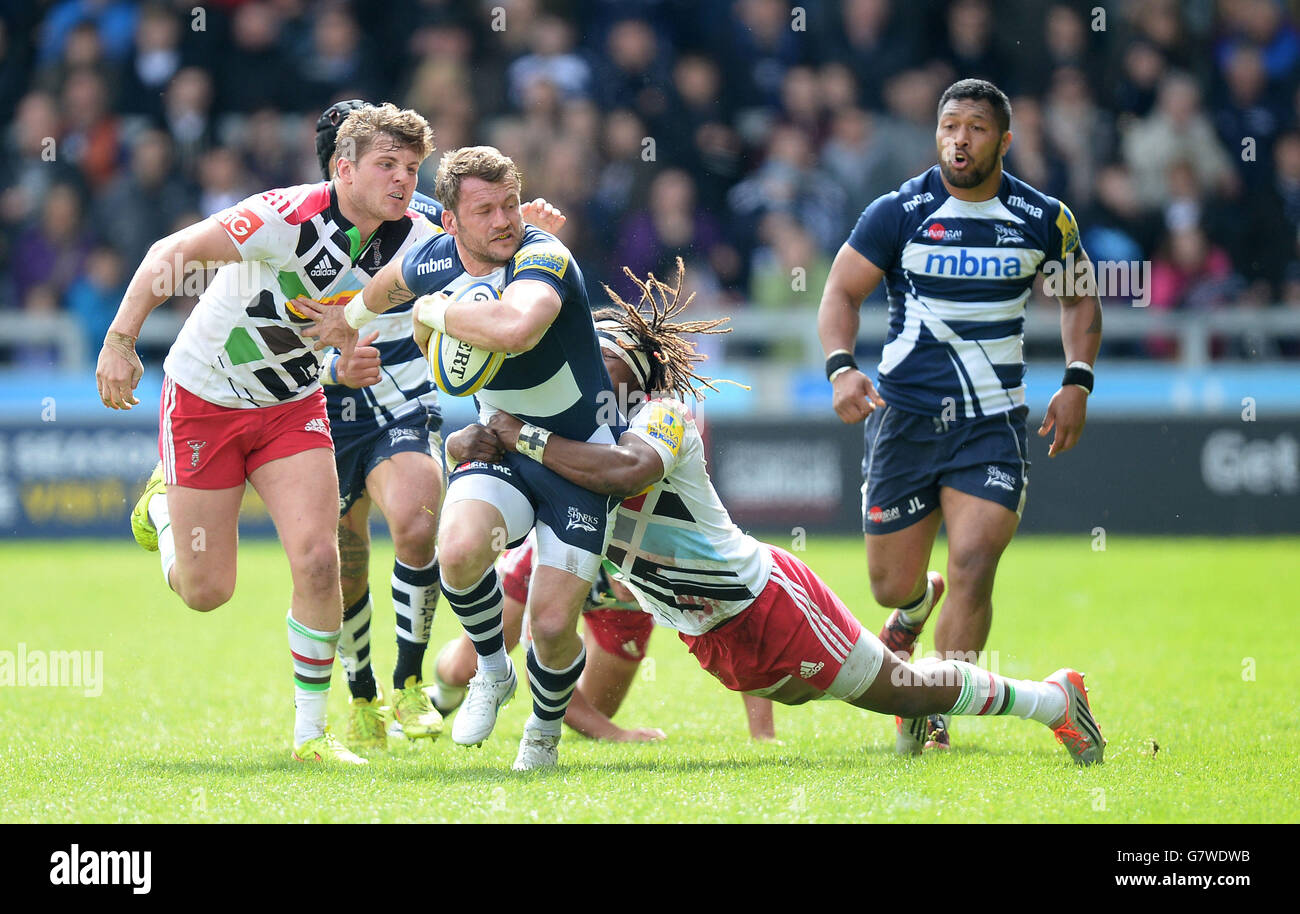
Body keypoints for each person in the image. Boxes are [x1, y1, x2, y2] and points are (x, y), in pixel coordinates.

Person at [457, 261, 1103, 765]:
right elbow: (481, 454)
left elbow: (624, 473)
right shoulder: (559, 436)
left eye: (607, 363)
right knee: (829, 691)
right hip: (706, 632)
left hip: (766, 600)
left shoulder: (663, 418)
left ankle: (1052, 699)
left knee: (897, 691)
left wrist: (519, 437)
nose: (591, 375)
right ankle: (902, 640)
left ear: (642, 377)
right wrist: (472, 439)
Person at [97, 102, 440, 764]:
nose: (403, 179)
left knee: (319, 558)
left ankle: (311, 738)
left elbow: (453, 279)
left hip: (292, 406)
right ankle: (164, 505)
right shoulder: (284, 213)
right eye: (387, 165)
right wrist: (120, 341)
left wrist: (348, 358)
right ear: (344, 169)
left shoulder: (415, 238)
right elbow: (172, 253)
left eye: (412, 167)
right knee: (207, 592)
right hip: (206, 397)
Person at [301, 146, 622, 771]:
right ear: (450, 222)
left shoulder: (544, 257)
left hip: (579, 457)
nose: (504, 220)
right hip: (499, 445)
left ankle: (543, 732)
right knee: (456, 548)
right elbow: (388, 286)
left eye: (509, 205)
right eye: (485, 211)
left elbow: (515, 331)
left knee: (554, 626)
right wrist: (347, 322)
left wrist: (436, 312)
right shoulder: (433, 258)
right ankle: (493, 671)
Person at [816, 78, 1103, 753]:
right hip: (905, 418)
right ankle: (916, 609)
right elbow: (840, 290)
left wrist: (1078, 382)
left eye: (975, 128)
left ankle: (938, 711)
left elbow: (1080, 300)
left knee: (975, 560)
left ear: (1004, 141)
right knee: (890, 587)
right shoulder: (898, 210)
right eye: (949, 126)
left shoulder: (1042, 217)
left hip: (992, 423)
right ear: (935, 134)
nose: (960, 139)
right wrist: (839, 365)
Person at [426, 532, 778, 742]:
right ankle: (441, 694)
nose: (630, 584)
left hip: (613, 607)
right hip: (556, 566)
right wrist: (619, 735)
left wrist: (763, 735)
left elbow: (734, 633)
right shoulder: (559, 558)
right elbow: (542, 673)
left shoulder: (682, 557)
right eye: (623, 570)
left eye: (639, 572)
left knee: (596, 710)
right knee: (465, 669)